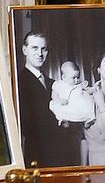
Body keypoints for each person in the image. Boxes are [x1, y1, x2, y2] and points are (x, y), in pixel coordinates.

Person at [16, 31, 81, 167]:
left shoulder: (54, 83)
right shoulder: (19, 83)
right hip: (38, 157)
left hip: (61, 155)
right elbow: (28, 125)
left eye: (43, 49)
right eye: (34, 48)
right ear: (24, 50)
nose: (39, 53)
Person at [50, 61, 96, 125]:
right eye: (73, 78)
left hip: (78, 105)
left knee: (90, 103)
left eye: (78, 77)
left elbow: (87, 91)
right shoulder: (60, 85)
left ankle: (88, 119)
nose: (76, 80)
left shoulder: (78, 85)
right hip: (67, 104)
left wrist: (93, 89)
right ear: (64, 77)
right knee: (56, 107)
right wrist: (59, 100)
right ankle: (64, 119)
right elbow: (54, 94)